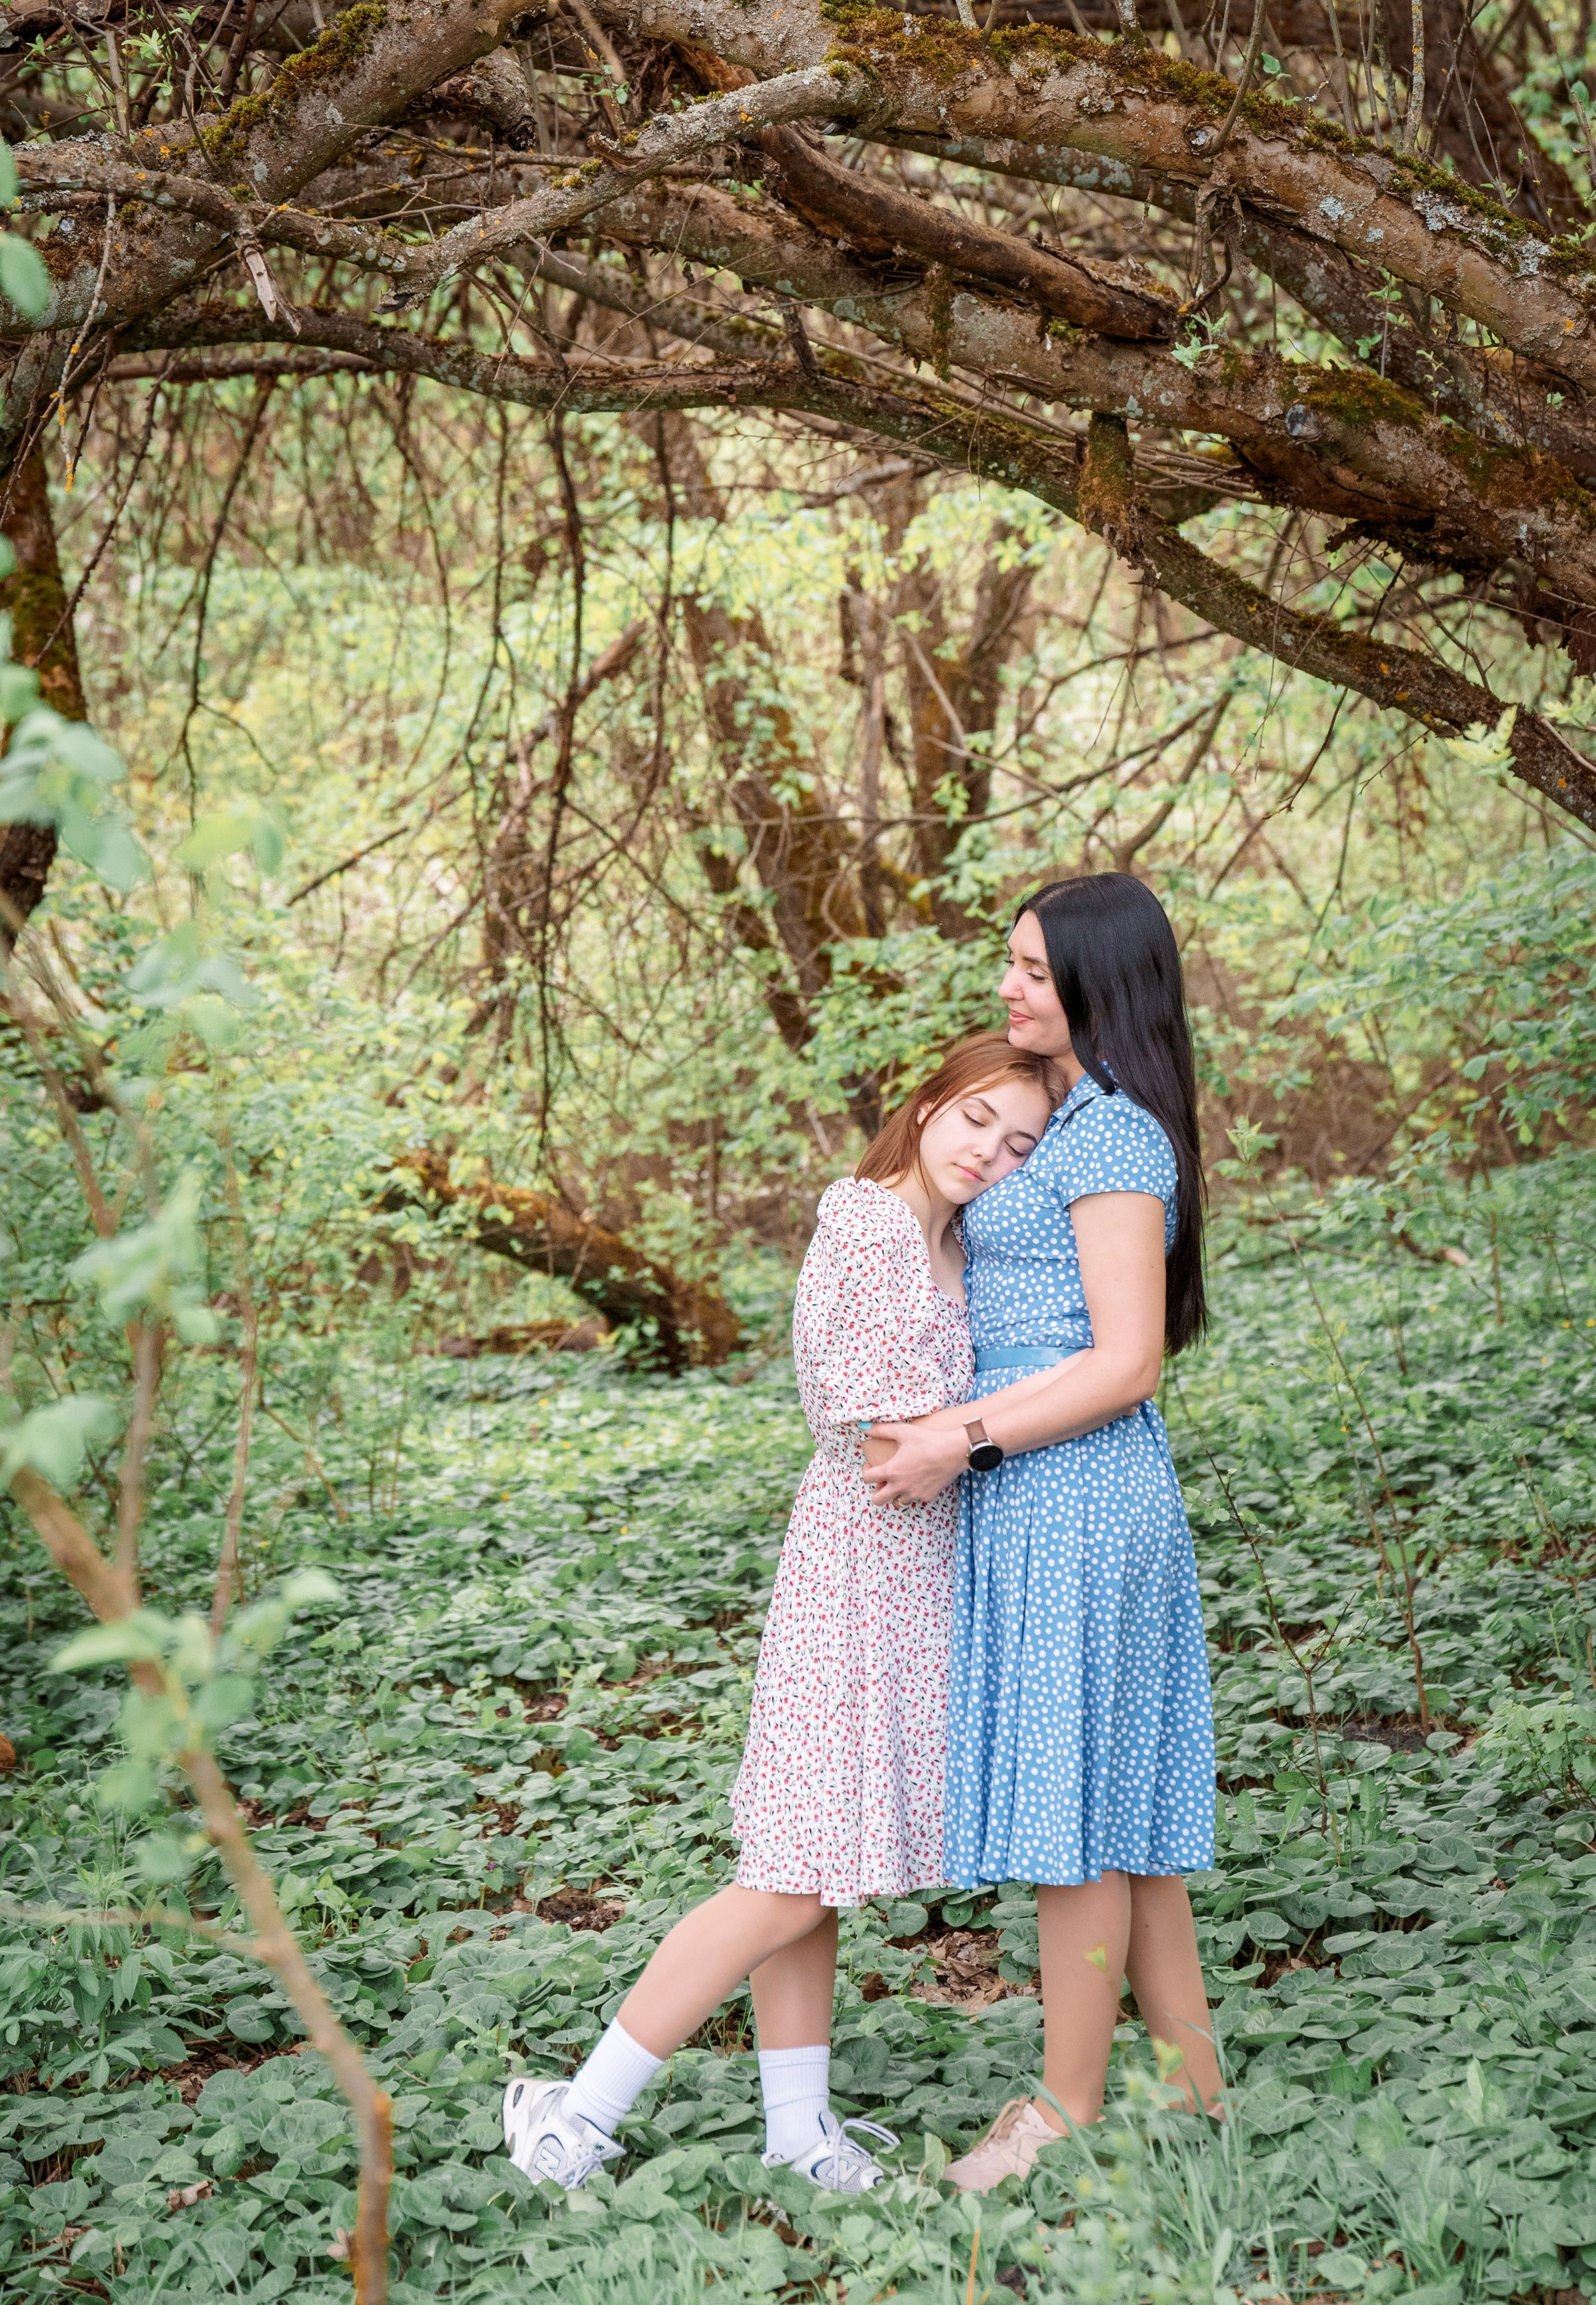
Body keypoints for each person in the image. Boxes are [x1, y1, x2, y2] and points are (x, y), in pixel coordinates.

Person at [502, 1031, 1079, 2197]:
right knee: (786, 1877)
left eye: (1021, 1144)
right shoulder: (868, 1225)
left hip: (915, 1578)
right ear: (928, 1104)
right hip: (856, 1572)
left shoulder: (952, 1241)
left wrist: (980, 1427)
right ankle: (574, 2111)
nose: (991, 1153)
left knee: (814, 1868)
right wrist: (1017, 1417)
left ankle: (799, 2132)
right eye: (977, 1119)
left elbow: (935, 1429)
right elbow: (875, 1438)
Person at [862, 872, 1222, 2190]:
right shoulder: (1067, 1119)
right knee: (1120, 1814)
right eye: (1007, 962)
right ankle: (1193, 2091)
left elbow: (1127, 1361)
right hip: (1041, 1485)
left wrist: (961, 1438)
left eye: (1030, 968)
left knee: (1075, 1816)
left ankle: (1063, 2111)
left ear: (1096, 980)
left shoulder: (1113, 1135)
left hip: (1074, 1488)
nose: (1006, 987)